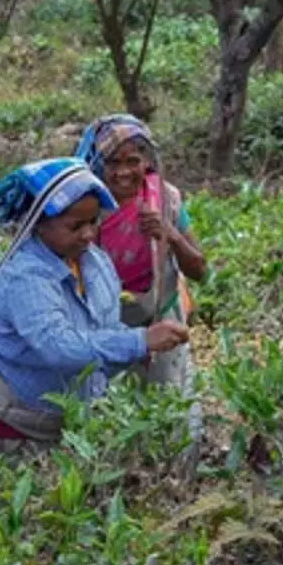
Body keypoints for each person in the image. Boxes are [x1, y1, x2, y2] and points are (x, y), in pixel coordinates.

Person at [0, 158, 189, 468]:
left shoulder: (95, 263)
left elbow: (102, 330)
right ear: (39, 224)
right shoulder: (25, 275)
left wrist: (134, 349)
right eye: (75, 226)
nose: (88, 234)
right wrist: (139, 341)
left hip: (55, 424)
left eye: (93, 221)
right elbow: (58, 347)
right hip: (1, 426)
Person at [75, 115, 206, 389]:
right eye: (113, 163)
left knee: (165, 404)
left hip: (160, 318)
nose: (123, 172)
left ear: (146, 163)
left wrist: (170, 234)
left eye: (132, 162)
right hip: (102, 327)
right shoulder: (86, 206)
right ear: (98, 165)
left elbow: (199, 270)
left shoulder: (164, 199)